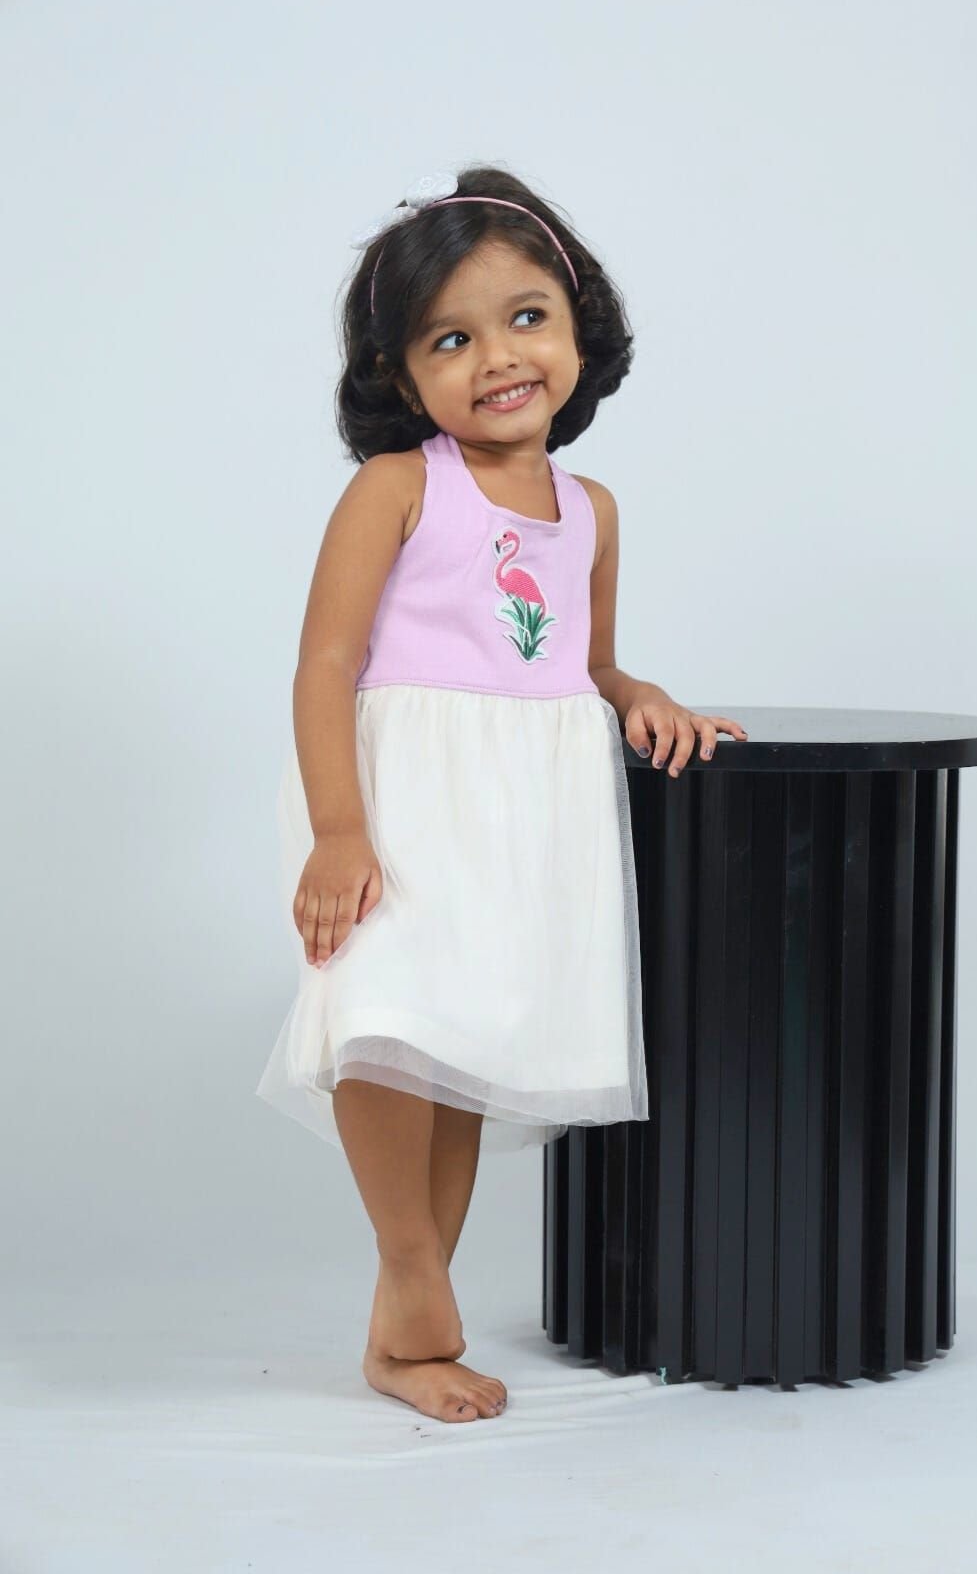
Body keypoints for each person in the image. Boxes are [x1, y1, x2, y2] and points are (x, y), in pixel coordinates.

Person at [255, 163, 748, 1425]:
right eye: (451, 339)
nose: (497, 358)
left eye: (526, 317)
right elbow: (324, 661)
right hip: (405, 793)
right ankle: (413, 1276)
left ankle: (401, 1329)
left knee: (463, 1044)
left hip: (530, 809)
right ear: (401, 373)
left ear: (579, 327)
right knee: (383, 1016)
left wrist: (639, 692)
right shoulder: (397, 487)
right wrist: (337, 829)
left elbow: (582, 663)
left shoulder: (592, 510)